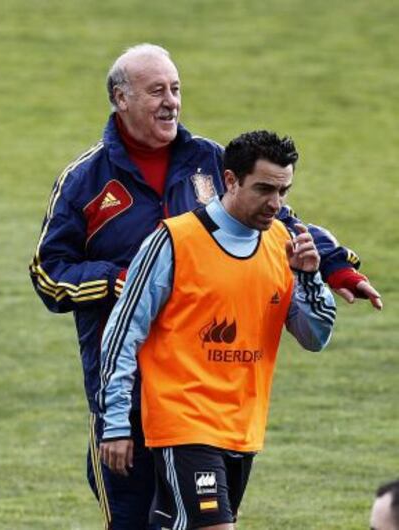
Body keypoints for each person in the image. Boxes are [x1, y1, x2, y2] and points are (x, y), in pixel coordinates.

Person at [29, 44, 382, 530]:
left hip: (204, 394)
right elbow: (49, 274)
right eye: (156, 91)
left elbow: (279, 220)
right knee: (134, 519)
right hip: (126, 391)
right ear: (120, 98)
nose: (171, 101)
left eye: (176, 89)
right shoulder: (85, 180)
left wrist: (339, 268)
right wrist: (117, 282)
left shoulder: (212, 161)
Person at [98, 130, 336, 530]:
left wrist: (310, 278)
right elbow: (123, 334)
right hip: (184, 423)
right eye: (263, 189)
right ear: (230, 180)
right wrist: (117, 422)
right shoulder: (174, 240)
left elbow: (315, 338)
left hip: (244, 429)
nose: (275, 204)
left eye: (283, 191)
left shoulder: (284, 244)